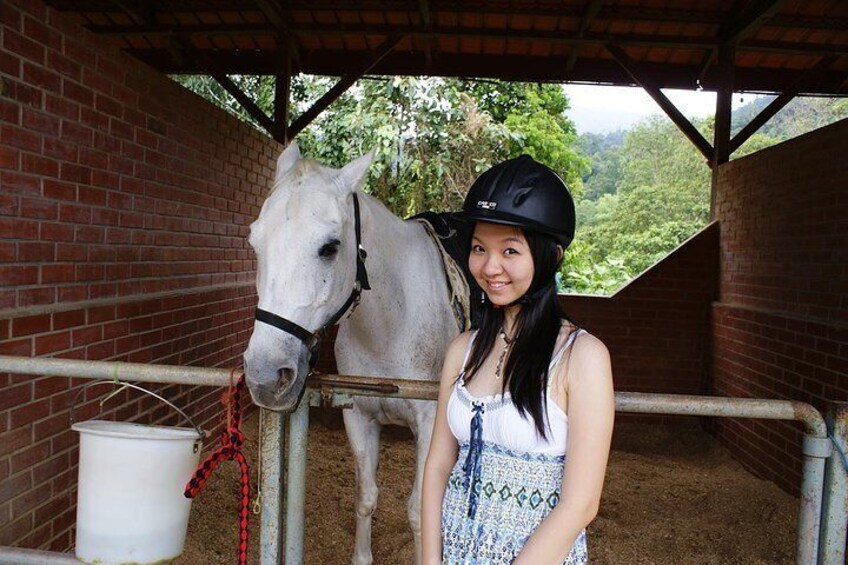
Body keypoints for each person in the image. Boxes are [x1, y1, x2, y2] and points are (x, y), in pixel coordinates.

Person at [421, 155, 615, 564]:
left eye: (510, 250)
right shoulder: (463, 350)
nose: (490, 267)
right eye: (479, 248)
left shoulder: (582, 357)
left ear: (552, 256)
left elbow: (581, 504)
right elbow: (439, 464)